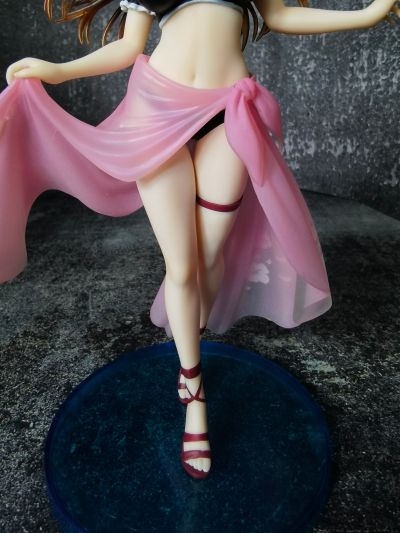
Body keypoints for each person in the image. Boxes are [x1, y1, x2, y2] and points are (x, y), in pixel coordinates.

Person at [2, 0, 398, 479]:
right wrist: (58, 70)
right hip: (156, 110)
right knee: (183, 267)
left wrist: (367, 14)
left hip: (227, 113)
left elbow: (278, 16)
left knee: (209, 257)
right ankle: (194, 392)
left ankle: (190, 328)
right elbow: (129, 46)